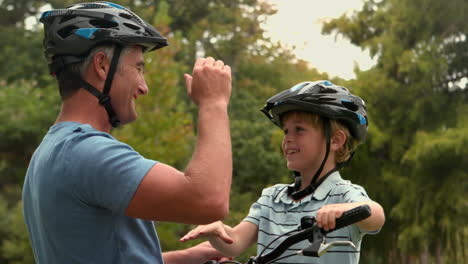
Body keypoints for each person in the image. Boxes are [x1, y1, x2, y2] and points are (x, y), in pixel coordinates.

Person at [22, 2, 233, 263]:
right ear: (101, 65)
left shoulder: (51, 151)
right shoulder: (86, 151)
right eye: (138, 68)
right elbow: (208, 200)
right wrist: (214, 104)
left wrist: (186, 257)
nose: (144, 87)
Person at [181, 80, 386, 264]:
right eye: (286, 131)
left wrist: (343, 211)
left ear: (335, 140)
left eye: (299, 130)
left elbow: (375, 215)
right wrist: (218, 232)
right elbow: (235, 242)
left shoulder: (342, 194)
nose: (288, 138)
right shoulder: (272, 198)